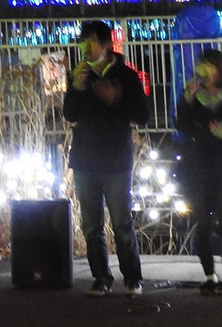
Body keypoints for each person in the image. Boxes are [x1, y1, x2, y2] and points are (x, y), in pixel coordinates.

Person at [63, 20, 149, 296]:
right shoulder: (79, 75)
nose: (85, 48)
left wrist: (117, 98)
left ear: (105, 44)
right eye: (82, 42)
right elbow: (69, 115)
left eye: (90, 42)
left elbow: (143, 115)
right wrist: (75, 87)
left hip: (116, 159)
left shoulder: (126, 75)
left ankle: (133, 278)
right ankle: (101, 278)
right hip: (86, 158)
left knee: (122, 222)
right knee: (91, 225)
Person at [175, 48, 222, 295]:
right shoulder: (192, 96)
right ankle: (209, 275)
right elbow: (182, 127)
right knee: (202, 224)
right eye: (201, 66)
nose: (204, 71)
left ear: (219, 68)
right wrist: (186, 100)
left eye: (209, 66)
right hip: (197, 168)